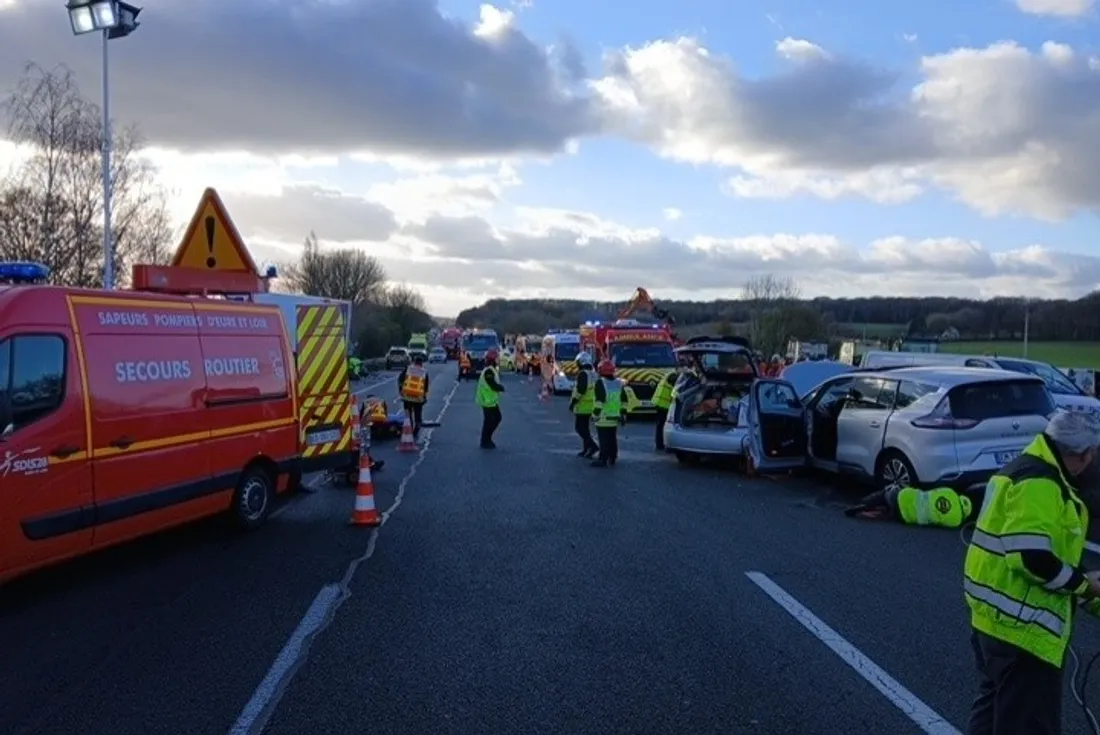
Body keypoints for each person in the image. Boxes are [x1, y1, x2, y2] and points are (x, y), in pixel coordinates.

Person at [964, 410, 1100, 735]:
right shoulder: (1041, 485)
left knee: (991, 714)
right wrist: (1084, 586)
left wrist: (1087, 591)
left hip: (994, 622)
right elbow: (1031, 558)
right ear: (1084, 454)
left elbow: (1047, 554)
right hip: (1023, 633)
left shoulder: (1024, 469)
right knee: (1029, 725)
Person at [844, 485, 973, 528]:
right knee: (892, 513)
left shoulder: (950, 492)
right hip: (907, 518)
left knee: (886, 493)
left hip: (904, 497)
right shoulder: (956, 522)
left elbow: (932, 491)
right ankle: (880, 513)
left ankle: (862, 503)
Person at [590, 359, 625, 468]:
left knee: (603, 439)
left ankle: (603, 459)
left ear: (600, 370)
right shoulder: (619, 383)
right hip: (614, 416)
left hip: (603, 416)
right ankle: (613, 457)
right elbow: (624, 400)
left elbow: (599, 402)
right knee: (612, 438)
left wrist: (594, 415)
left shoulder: (600, 383)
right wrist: (623, 414)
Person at [569, 352, 599, 458]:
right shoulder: (594, 374)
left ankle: (593, 446)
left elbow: (581, 390)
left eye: (577, 362)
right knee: (585, 429)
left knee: (579, 428)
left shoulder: (582, 374)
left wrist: (573, 402)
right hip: (592, 404)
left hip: (583, 405)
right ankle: (586, 449)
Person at [477, 349, 505, 449]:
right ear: (492, 359)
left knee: (496, 418)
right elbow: (492, 384)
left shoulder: (491, 369)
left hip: (491, 400)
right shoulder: (488, 371)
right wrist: (501, 388)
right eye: (497, 358)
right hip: (487, 400)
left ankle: (487, 439)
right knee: (489, 421)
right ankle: (485, 441)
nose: (498, 360)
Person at [398, 352, 429, 437]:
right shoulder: (424, 372)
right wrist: (424, 397)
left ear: (414, 362)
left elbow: (400, 380)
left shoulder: (408, 369)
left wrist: (401, 391)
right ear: (421, 363)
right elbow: (425, 387)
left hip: (407, 396)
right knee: (417, 414)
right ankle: (417, 428)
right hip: (418, 398)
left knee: (408, 415)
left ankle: (409, 429)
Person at [652, 370, 678, 452]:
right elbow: (676, 389)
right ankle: (662, 444)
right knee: (663, 425)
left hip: (660, 402)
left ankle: (659, 444)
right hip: (664, 404)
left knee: (660, 425)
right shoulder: (673, 376)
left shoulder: (670, 373)